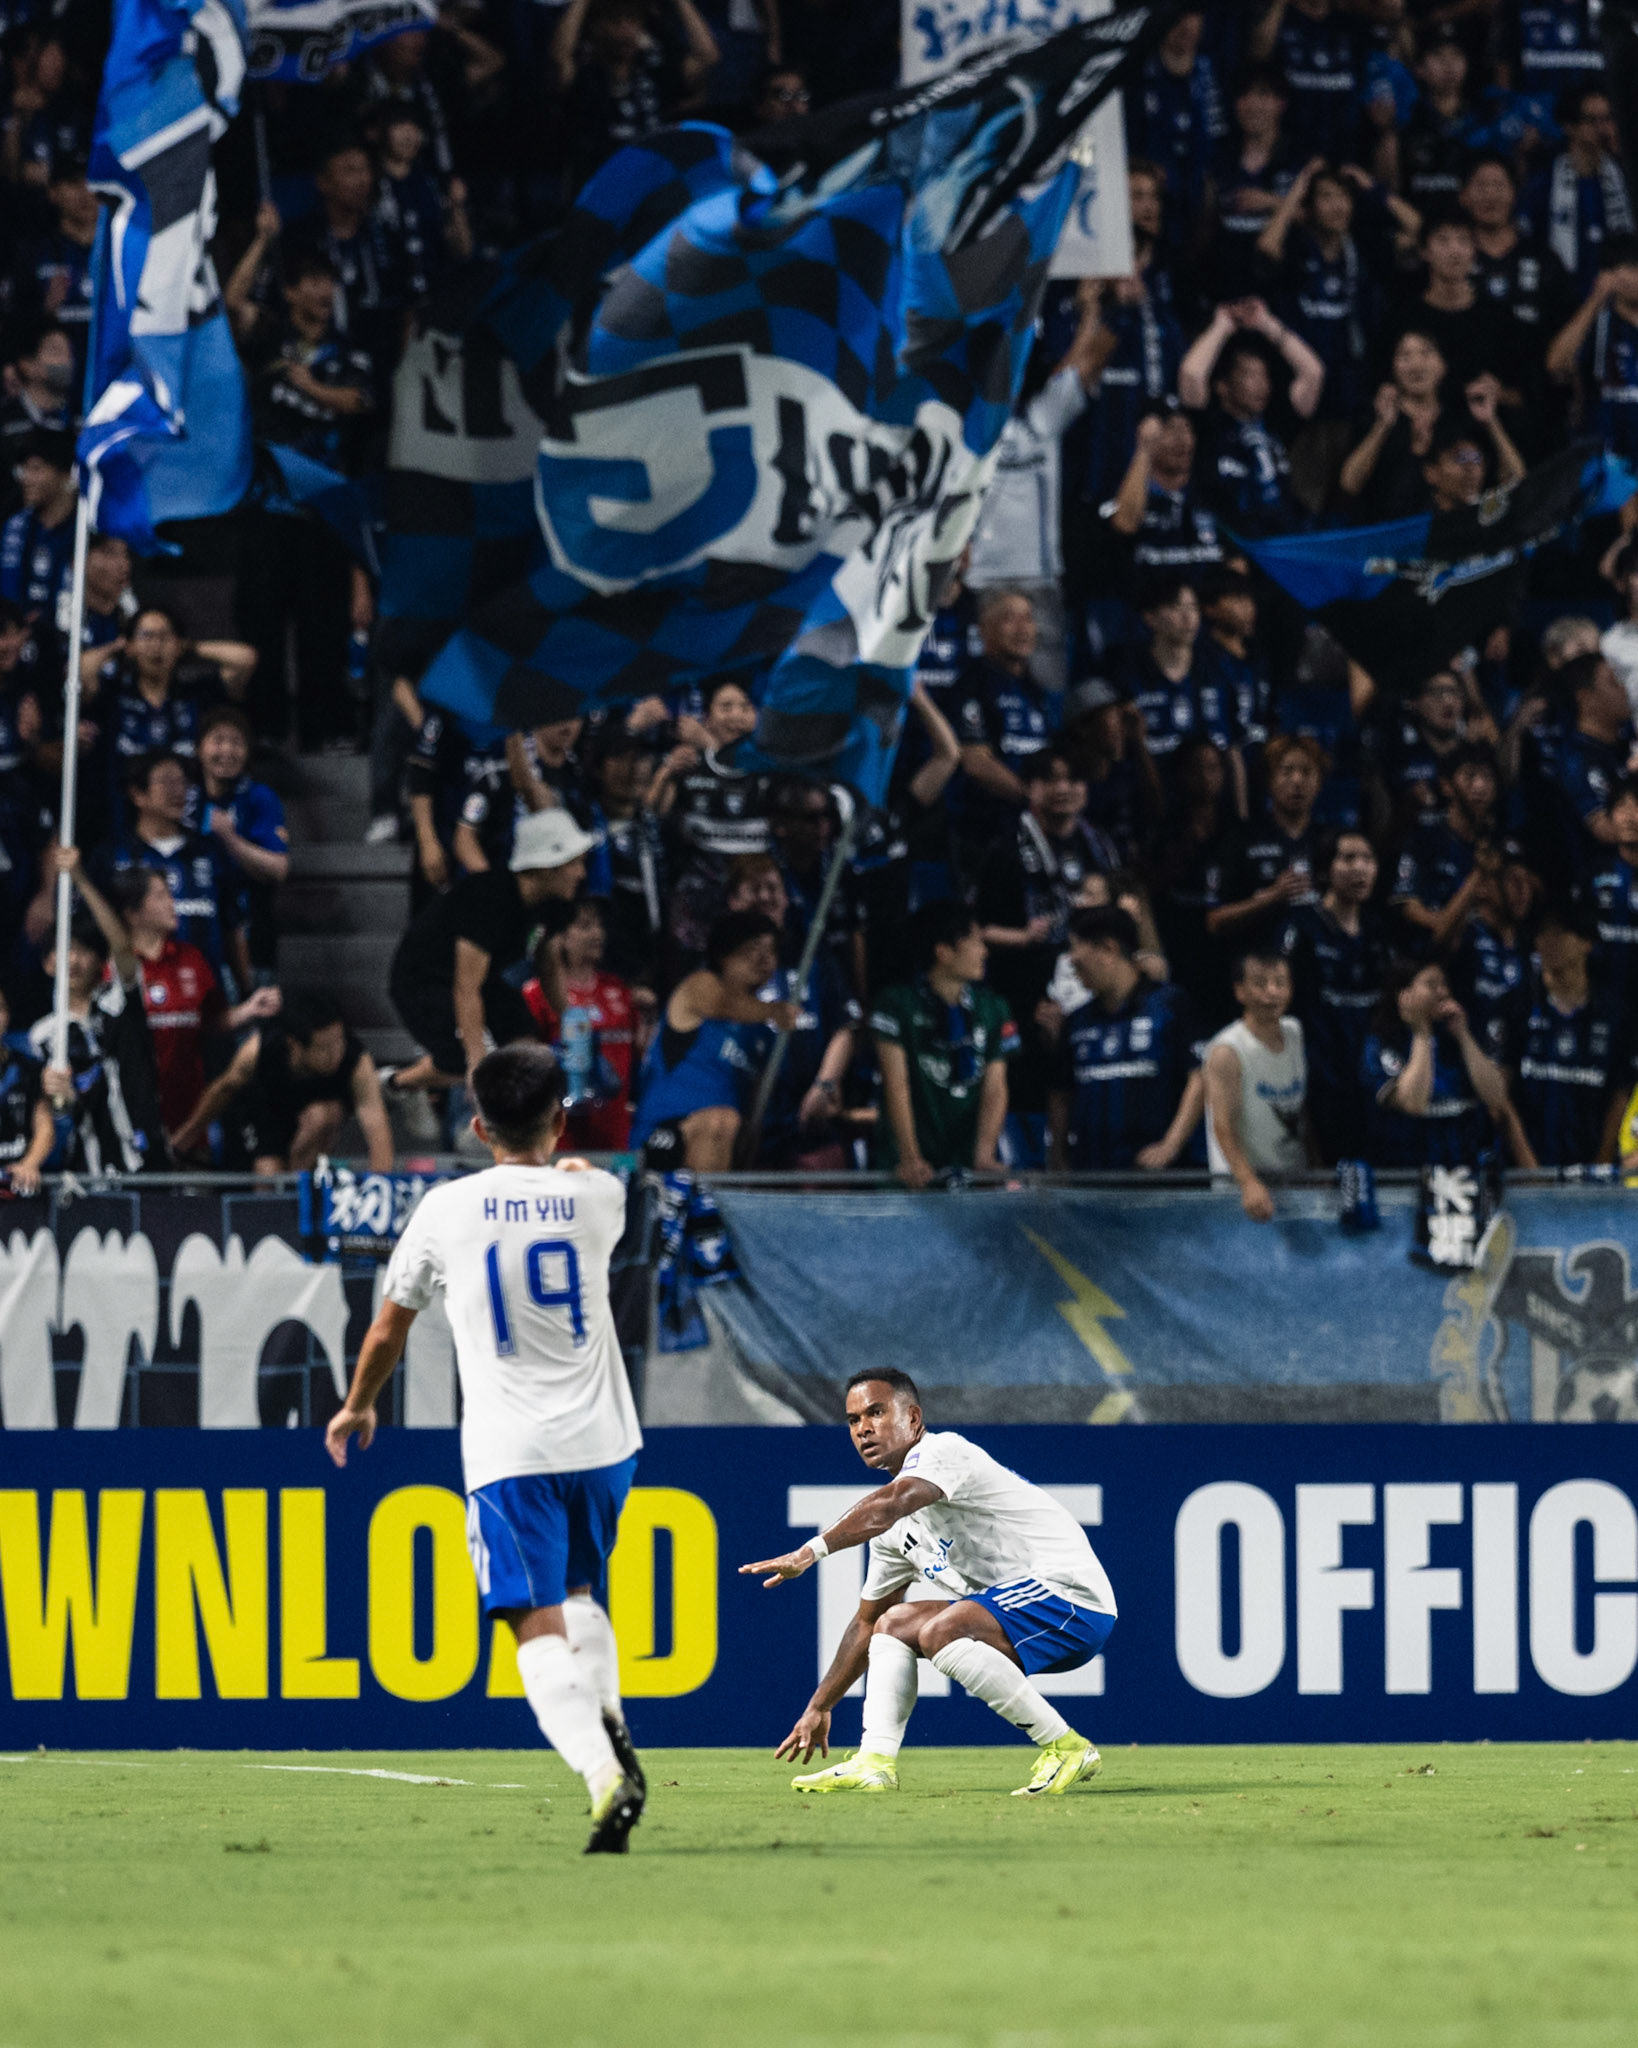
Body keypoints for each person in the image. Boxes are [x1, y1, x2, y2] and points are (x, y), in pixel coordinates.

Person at [326, 1042, 647, 1855]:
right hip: (606, 1444)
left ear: (476, 1125)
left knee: (532, 1622)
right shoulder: (600, 1196)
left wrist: (359, 1405)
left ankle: (602, 1774)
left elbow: (388, 1325)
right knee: (580, 1592)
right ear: (561, 1117)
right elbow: (579, 1184)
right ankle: (614, 1732)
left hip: (512, 1451)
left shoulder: (446, 1211)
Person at [742, 1368, 1114, 1798]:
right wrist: (819, 1706)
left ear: (914, 1419)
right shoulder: (891, 1534)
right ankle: (875, 1761)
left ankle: (1067, 1747)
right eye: (853, 1420)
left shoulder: (945, 1451)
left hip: (1074, 1601)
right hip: (1018, 1615)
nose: (863, 1428)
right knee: (893, 1624)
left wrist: (811, 1552)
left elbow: (892, 1502)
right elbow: (866, 1623)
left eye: (876, 1413)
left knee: (942, 1629)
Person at [388, 807, 595, 1092]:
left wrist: (574, 1024)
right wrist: (476, 1061)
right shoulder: (488, 899)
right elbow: (465, 986)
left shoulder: (555, 903)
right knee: (464, 1062)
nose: (581, 873)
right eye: (575, 863)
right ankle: (395, 1084)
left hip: (482, 983)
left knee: (527, 1051)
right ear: (549, 865)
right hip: (422, 982)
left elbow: (548, 967)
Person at [112, 867, 280, 1148]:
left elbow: (210, 1023)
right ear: (133, 913)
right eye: (161, 896)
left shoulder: (192, 959)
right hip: (132, 1106)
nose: (172, 903)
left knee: (194, 1184)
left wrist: (249, 1009)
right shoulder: (115, 969)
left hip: (190, 1104)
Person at [629, 909, 796, 1170]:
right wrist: (775, 1010)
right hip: (665, 1131)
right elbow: (726, 1004)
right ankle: (705, 1209)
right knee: (720, 1120)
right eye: (753, 947)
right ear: (723, 954)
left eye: (771, 950)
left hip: (722, 1142)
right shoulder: (698, 986)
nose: (764, 958)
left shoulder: (762, 1035)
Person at [869, 901, 1016, 1188]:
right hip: (910, 1169)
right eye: (975, 941)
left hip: (965, 1165)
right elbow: (896, 1083)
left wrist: (984, 1155)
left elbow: (995, 1087)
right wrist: (910, 1156)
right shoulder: (895, 1005)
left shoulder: (993, 1008)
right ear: (944, 952)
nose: (984, 951)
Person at [1048, 904, 1201, 1171]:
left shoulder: (1170, 1006)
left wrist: (1170, 1145)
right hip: (1091, 1178)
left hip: (1159, 1181)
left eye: (1076, 947)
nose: (1071, 959)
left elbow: (1198, 1079)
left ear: (1108, 949)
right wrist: (1058, 1157)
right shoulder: (1075, 1021)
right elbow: (1060, 1094)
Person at [172, 989, 394, 1174]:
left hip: (317, 1126)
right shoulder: (259, 1051)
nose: (336, 1053)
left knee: (323, 1116)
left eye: (339, 1042)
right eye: (324, 1048)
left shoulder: (356, 1061)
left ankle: (301, 1197)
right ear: (295, 1045)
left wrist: (380, 1187)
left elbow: (377, 1129)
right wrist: (183, 1140)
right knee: (268, 1172)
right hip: (267, 1113)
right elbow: (223, 1089)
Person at [1282, 828, 1388, 1162]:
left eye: (1368, 859)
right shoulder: (1303, 928)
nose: (1360, 868)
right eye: (1348, 858)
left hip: (1369, 1080)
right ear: (1326, 869)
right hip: (1319, 1080)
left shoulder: (1378, 932)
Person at [1178, 298, 1325, 537]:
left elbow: (1313, 373)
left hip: (1282, 539)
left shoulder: (1276, 422)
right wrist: (1221, 327)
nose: (1262, 385)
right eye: (1250, 376)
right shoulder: (1207, 426)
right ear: (1222, 386)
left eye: (1264, 376)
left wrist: (1267, 324)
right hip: (1234, 543)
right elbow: (1191, 375)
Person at [1362, 957, 1528, 1168]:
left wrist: (1463, 1036)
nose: (1443, 992)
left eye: (1444, 984)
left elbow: (1496, 1096)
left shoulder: (1461, 1035)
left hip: (1466, 1170)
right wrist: (1421, 1034)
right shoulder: (1382, 1043)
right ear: (1403, 994)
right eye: (1431, 985)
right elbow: (1414, 1104)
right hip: (1407, 1174)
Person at [1512, 905, 1631, 1167]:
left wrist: (1601, 1162)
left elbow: (1620, 1094)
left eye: (1559, 934)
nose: (1548, 943)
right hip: (1525, 1170)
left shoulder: (1615, 1016)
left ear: (1586, 943)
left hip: (1590, 1169)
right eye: (1542, 935)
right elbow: (1501, 1093)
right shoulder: (1518, 1006)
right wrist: (1527, 1165)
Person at [1203, 948, 1307, 1219]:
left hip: (1293, 1183)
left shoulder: (1295, 1033)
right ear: (1240, 991)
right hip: (1245, 1190)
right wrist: (1249, 1183)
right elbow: (1222, 1125)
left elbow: (1301, 1112)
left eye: (1280, 983)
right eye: (1260, 983)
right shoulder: (1228, 1050)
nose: (1271, 992)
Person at [1517, 86, 1634, 299]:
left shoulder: (1625, 180)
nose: (1603, 129)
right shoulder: (1545, 183)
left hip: (1616, 299)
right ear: (1569, 127)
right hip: (1559, 297)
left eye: (1607, 119)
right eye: (1591, 120)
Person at [1545, 237, 1638, 467]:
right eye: (1628, 267)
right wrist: (1595, 300)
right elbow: (1556, 363)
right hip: (1604, 458)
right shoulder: (1596, 323)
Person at [0, 984, 54, 1194]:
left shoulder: (27, 1068)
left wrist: (30, 1163)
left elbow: (45, 1128)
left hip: (19, 1185)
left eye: (2, 1008)